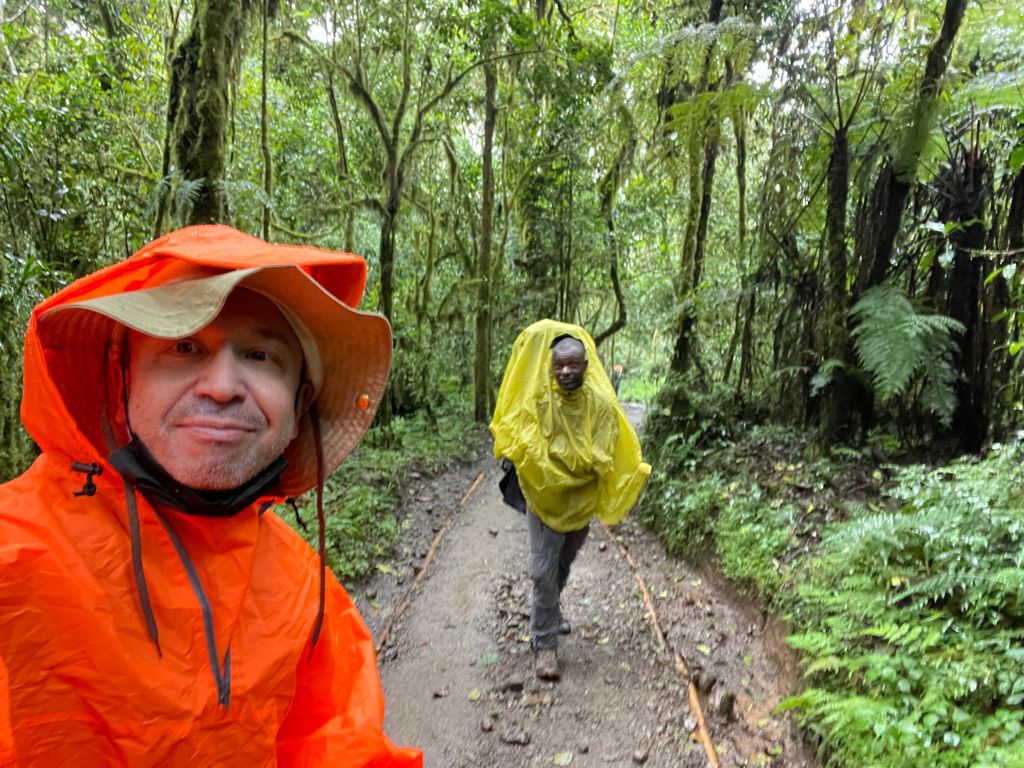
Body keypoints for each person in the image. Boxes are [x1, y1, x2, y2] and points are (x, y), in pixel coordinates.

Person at [0, 225, 421, 766]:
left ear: (300, 403)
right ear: (121, 379)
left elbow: (341, 746)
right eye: (184, 346)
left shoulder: (305, 590)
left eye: (261, 355)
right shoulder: (15, 553)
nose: (222, 386)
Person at [489, 320, 650, 681]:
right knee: (542, 570)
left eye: (573, 364)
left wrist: (568, 464)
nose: (565, 371)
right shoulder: (538, 401)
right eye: (558, 364)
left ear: (586, 365)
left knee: (563, 560)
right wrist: (539, 463)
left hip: (580, 501)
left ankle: (551, 611)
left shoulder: (602, 405)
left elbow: (604, 451)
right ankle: (544, 645)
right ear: (549, 366)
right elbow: (524, 440)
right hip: (543, 498)